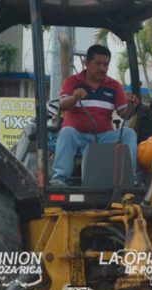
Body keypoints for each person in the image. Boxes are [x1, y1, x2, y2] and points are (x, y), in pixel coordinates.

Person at [52, 45, 139, 186]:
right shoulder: (73, 82)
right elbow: (62, 104)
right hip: (78, 136)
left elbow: (125, 114)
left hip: (104, 136)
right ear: (87, 63)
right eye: (98, 63)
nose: (102, 68)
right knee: (66, 132)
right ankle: (59, 179)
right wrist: (74, 98)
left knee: (129, 134)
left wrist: (132, 106)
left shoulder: (114, 86)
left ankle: (130, 180)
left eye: (106, 64)